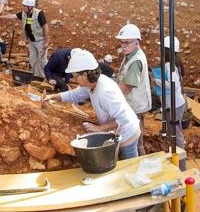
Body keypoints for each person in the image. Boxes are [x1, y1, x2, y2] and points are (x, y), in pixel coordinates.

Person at [42, 49, 141, 160]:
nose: (73, 78)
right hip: (117, 132)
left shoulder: (105, 92)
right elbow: (74, 95)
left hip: (128, 134)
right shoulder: (91, 84)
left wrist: (100, 128)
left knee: (130, 167)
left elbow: (124, 118)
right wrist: (52, 97)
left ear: (84, 74)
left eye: (74, 75)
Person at [115, 23, 152, 156]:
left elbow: (125, 88)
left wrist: (108, 88)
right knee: (137, 140)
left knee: (135, 142)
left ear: (137, 42)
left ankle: (141, 168)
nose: (123, 46)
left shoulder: (135, 61)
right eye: (121, 43)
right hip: (135, 104)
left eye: (127, 43)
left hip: (134, 106)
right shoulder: (131, 54)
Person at [0, 0, 50, 79]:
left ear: (30, 6)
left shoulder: (39, 14)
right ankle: (37, 77)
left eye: (24, 6)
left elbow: (45, 27)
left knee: (42, 61)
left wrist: (46, 42)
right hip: (31, 42)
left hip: (40, 41)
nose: (23, 7)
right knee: (33, 60)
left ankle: (46, 78)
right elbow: (13, 16)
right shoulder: (24, 13)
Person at [155, 37, 186, 170]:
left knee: (176, 135)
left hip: (175, 105)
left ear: (166, 50)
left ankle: (181, 166)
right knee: (174, 133)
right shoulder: (172, 64)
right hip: (173, 104)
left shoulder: (170, 65)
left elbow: (171, 85)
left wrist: (155, 80)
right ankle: (177, 162)